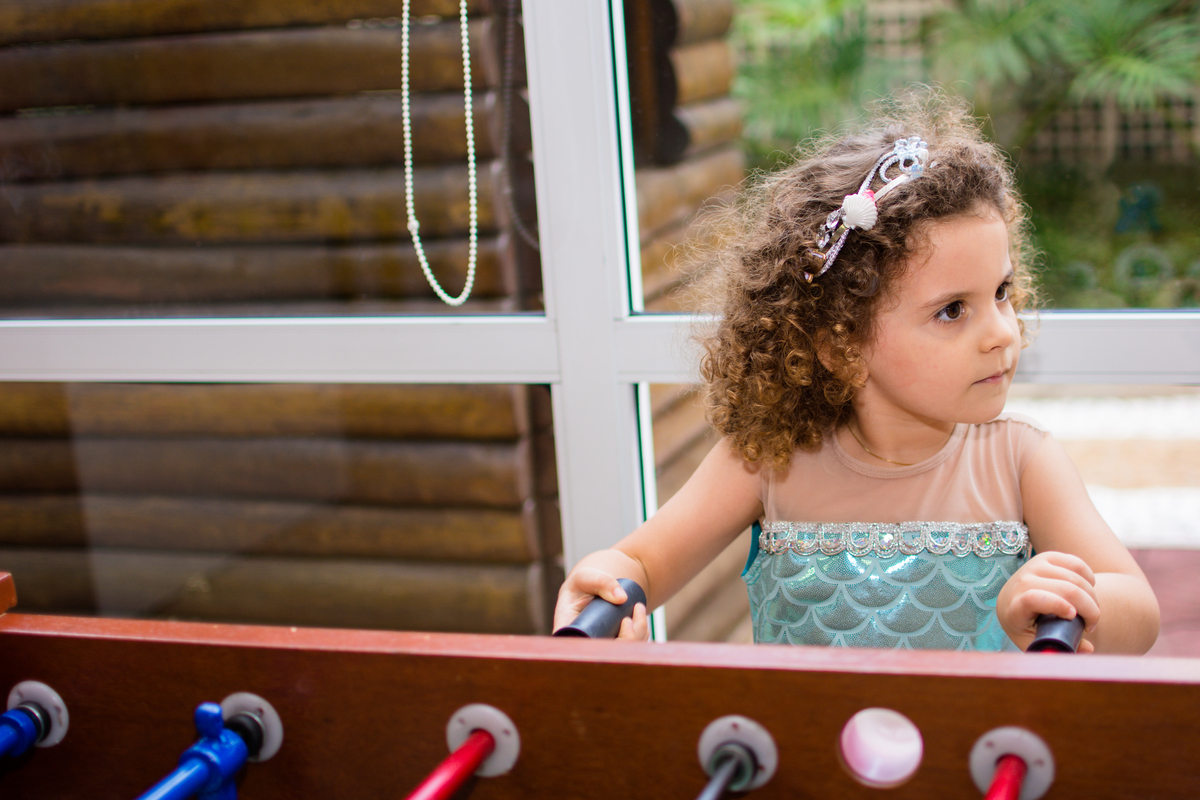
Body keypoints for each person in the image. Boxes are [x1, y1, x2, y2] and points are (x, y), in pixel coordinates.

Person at [553, 91, 1160, 653]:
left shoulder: (1021, 462)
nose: (1003, 330)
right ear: (840, 345)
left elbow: (1140, 611)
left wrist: (1069, 600)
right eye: (952, 310)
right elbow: (645, 566)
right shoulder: (768, 460)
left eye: (1000, 292)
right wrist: (606, 582)